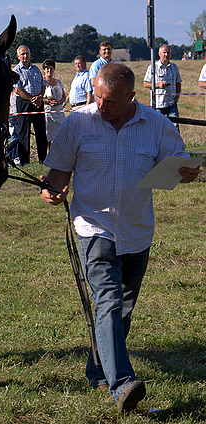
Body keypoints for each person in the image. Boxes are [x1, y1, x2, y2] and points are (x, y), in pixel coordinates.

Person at [40, 62, 199, 413]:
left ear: (131, 97)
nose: (100, 104)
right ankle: (122, 384)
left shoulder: (156, 125)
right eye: (96, 96)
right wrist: (51, 192)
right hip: (93, 228)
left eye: (109, 100)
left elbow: (178, 164)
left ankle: (97, 370)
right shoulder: (77, 123)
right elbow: (55, 177)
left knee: (123, 309)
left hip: (137, 229)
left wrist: (187, 171)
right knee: (109, 301)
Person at [10, 45, 48, 165]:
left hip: (38, 103)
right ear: (18, 56)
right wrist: (31, 99)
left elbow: (42, 85)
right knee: (23, 133)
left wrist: (40, 97)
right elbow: (17, 90)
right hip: (24, 103)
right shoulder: (16, 71)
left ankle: (43, 160)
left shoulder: (36, 69)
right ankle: (24, 161)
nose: (25, 56)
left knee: (41, 132)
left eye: (27, 53)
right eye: (22, 54)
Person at [143, 44, 182, 131]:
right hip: (158, 104)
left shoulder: (174, 67)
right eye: (164, 52)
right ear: (159, 54)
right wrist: (158, 85)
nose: (166, 55)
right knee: (157, 128)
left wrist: (177, 97)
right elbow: (145, 83)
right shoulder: (153, 67)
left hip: (171, 103)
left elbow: (178, 82)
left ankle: (176, 144)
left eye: (168, 53)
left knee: (175, 127)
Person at [42, 58, 66, 151]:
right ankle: (48, 153)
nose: (49, 70)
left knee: (61, 134)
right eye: (47, 68)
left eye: (51, 68)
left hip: (59, 111)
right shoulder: (42, 82)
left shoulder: (59, 82)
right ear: (44, 70)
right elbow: (39, 97)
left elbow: (64, 96)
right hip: (48, 112)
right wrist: (48, 101)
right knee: (48, 135)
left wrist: (59, 102)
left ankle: (59, 153)